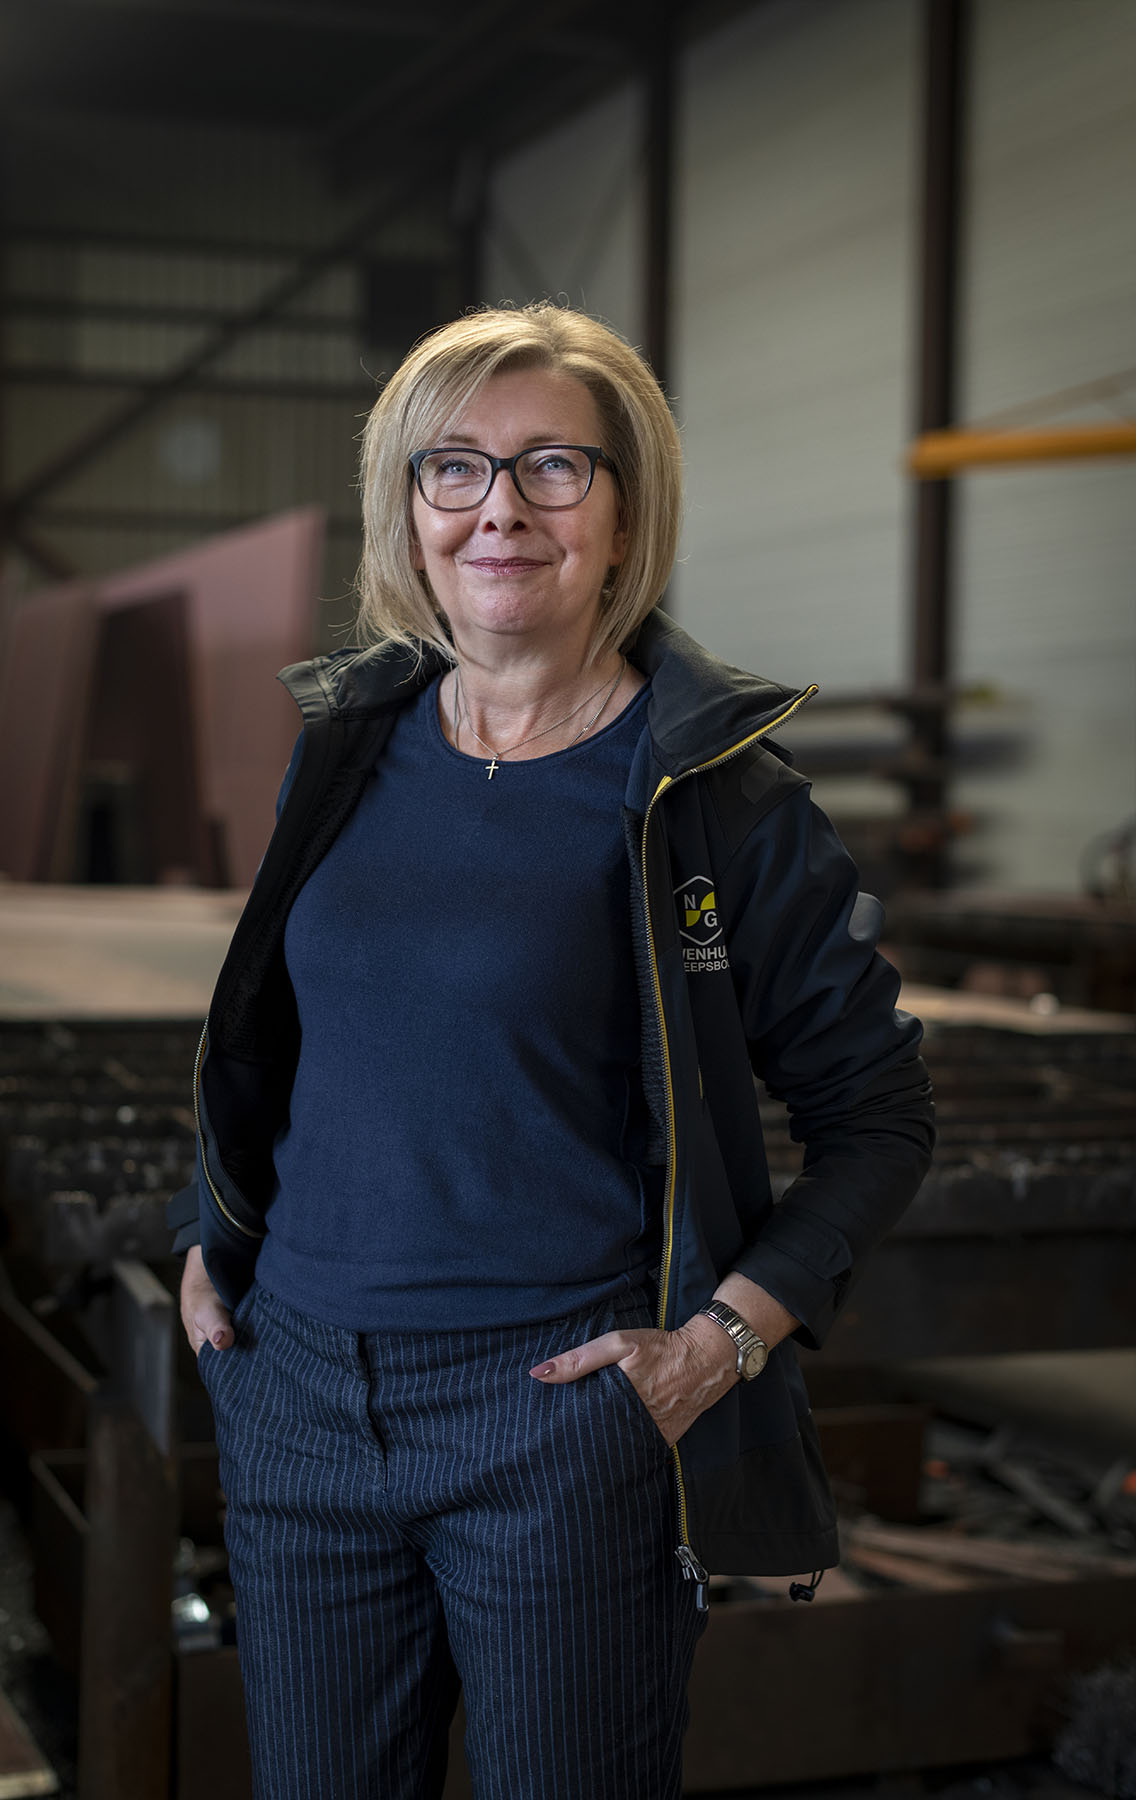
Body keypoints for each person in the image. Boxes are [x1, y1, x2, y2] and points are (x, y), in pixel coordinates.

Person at [169, 301, 935, 1800]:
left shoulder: (718, 800)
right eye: (451, 469)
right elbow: (286, 1040)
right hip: (299, 1402)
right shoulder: (342, 751)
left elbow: (881, 1112)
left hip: (562, 1424)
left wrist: (720, 1345)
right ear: (407, 505)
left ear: (624, 506)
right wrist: (213, 1246)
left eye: (551, 469)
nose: (498, 511)